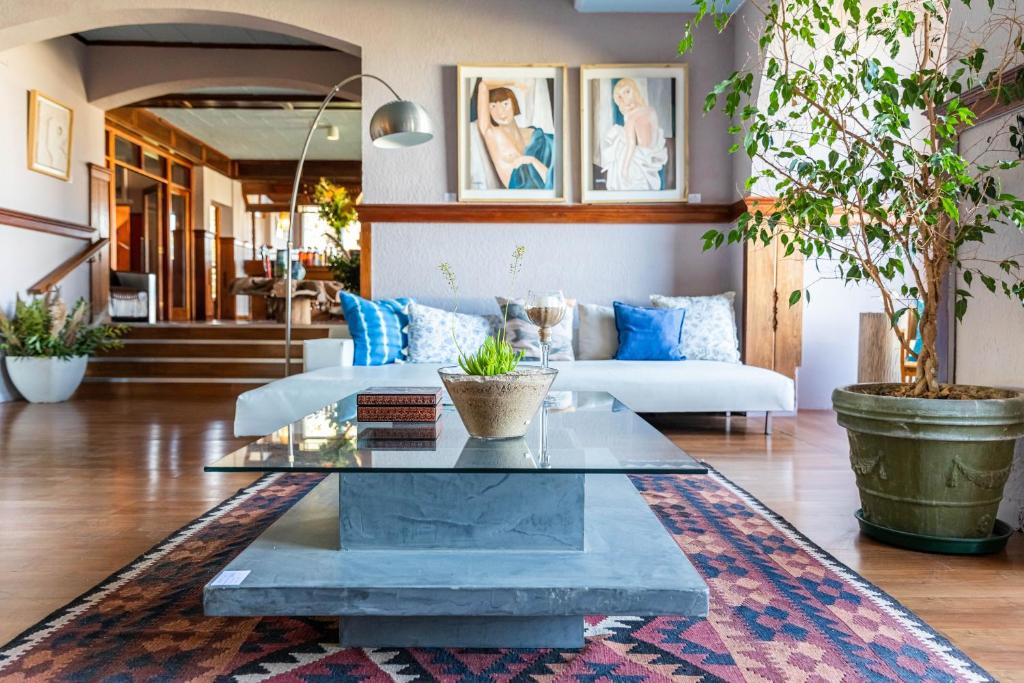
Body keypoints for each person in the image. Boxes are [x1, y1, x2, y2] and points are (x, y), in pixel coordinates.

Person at [475, 79, 554, 189]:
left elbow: (556, 173)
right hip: (524, 190)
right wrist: (515, 83)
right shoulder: (491, 133)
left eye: (505, 104)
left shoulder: (535, 135)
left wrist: (532, 161)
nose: (500, 112)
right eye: (493, 106)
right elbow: (483, 85)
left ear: (514, 104)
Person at [601, 78, 668, 191]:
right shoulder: (651, 110)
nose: (626, 97)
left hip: (639, 157)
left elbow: (631, 145)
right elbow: (654, 136)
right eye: (622, 95)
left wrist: (624, 168)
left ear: (635, 90)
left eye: (627, 91)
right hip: (650, 155)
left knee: (618, 140)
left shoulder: (631, 116)